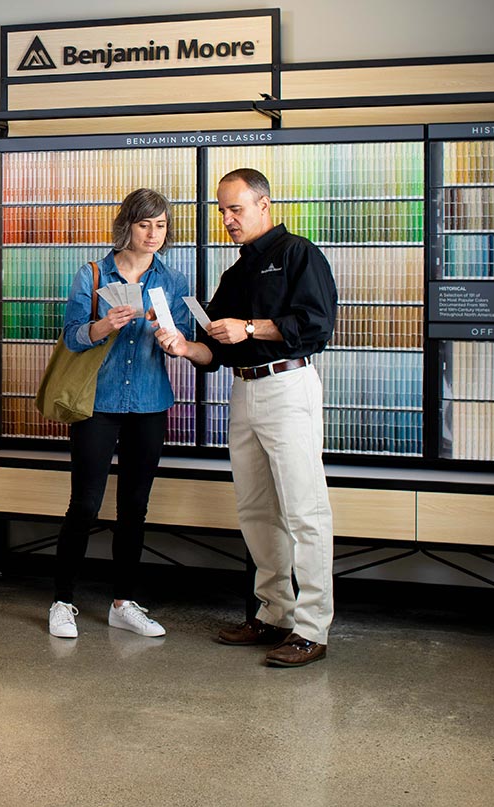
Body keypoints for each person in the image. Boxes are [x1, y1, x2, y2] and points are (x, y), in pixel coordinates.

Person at [153, 168, 337, 667]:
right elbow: (216, 349)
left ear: (263, 205)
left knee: (304, 511)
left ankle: (312, 629)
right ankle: (273, 613)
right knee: (256, 510)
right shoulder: (234, 273)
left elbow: (318, 326)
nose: (227, 219)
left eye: (235, 208)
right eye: (221, 211)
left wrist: (252, 326)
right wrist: (183, 345)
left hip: (288, 385)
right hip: (245, 391)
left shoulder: (300, 254)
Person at [48, 188, 194, 640]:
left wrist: (171, 338)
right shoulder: (92, 273)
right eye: (145, 224)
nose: (153, 234)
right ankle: (62, 601)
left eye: (161, 225)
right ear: (127, 225)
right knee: (85, 503)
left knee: (135, 506)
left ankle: (123, 603)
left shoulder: (172, 281)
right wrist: (102, 326)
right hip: (98, 402)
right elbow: (72, 337)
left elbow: (184, 338)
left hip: (150, 402)